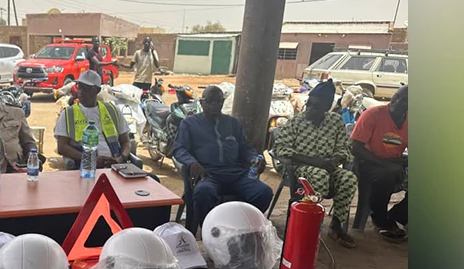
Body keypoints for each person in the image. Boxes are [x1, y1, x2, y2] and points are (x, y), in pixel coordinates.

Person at [172, 85, 273, 235]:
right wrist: (192, 162)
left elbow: (245, 148)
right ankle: (211, 232)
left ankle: (241, 229)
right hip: (208, 175)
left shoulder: (232, 123)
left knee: (263, 192)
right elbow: (179, 149)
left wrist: (255, 158)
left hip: (236, 174)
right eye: (210, 101)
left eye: (219, 101)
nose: (215, 105)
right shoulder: (190, 124)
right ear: (201, 102)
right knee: (203, 193)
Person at [272, 79, 358, 248]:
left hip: (327, 166)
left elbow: (344, 147)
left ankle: (336, 226)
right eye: (309, 104)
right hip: (298, 167)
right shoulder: (297, 122)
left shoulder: (335, 121)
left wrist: (335, 160)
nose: (310, 109)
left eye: (316, 106)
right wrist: (314, 162)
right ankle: (310, 226)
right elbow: (280, 149)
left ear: (326, 108)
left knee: (349, 178)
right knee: (320, 175)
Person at [350, 84, 408, 241]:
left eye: (404, 100)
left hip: (395, 161)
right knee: (386, 176)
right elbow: (355, 147)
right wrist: (386, 164)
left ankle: (397, 215)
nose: (397, 102)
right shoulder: (373, 114)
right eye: (397, 97)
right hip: (367, 161)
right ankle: (380, 220)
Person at [54, 70, 136, 171]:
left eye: (87, 89)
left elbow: (126, 141)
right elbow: (62, 147)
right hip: (85, 168)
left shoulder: (112, 110)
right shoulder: (68, 114)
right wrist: (91, 159)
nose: (81, 92)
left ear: (97, 90)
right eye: (80, 87)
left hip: (114, 167)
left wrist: (120, 158)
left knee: (153, 179)